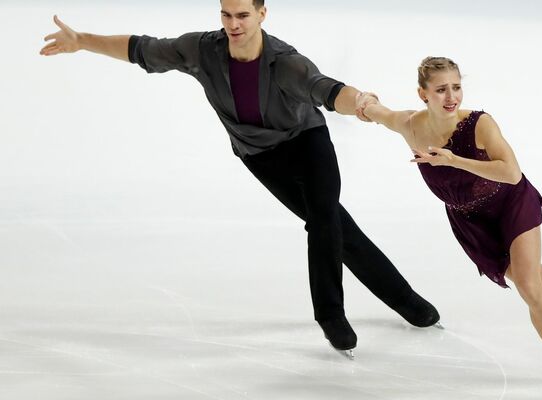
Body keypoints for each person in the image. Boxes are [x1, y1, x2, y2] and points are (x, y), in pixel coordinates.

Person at [39, 0, 441, 359]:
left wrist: (368, 106)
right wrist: (82, 41)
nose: (234, 24)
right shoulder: (202, 50)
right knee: (337, 227)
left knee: (323, 218)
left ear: (262, 13)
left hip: (308, 142)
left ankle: (332, 316)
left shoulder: (284, 62)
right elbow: (142, 49)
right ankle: (408, 302)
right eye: (226, 14)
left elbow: (327, 90)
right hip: (260, 156)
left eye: (243, 14)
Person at [355, 57, 542, 399]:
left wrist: (454, 160)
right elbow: (375, 112)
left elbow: (512, 173)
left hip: (510, 204)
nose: (451, 97)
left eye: (457, 87)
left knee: (529, 285)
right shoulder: (409, 126)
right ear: (423, 94)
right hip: (472, 221)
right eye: (441, 89)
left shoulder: (480, 123)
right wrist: (363, 102)